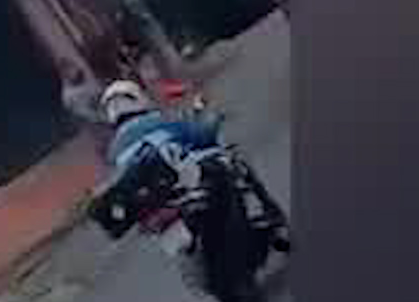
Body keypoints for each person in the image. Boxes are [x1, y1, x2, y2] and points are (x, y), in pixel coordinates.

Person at [99, 80, 290, 253]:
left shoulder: (113, 151)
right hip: (190, 183)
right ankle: (275, 225)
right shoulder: (154, 122)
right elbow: (202, 136)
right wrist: (212, 121)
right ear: (137, 98)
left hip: (164, 203)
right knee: (236, 164)